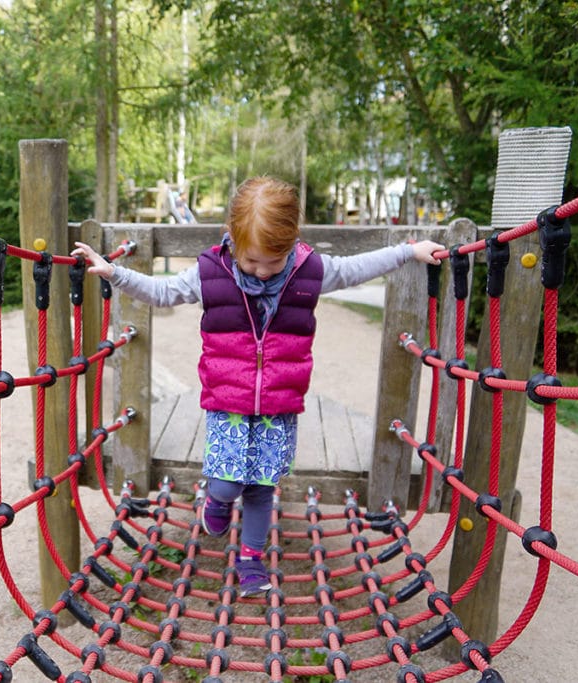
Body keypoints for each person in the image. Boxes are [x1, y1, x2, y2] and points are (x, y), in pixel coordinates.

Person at [71, 176, 443, 598]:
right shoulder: (210, 272)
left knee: (262, 488)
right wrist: (115, 273)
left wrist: (408, 252)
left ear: (292, 243)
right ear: (231, 239)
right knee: (229, 484)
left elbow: (358, 267)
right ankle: (215, 499)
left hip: (279, 405)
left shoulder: (309, 271)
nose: (264, 270)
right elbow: (163, 291)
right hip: (227, 402)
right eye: (252, 262)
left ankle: (251, 559)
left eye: (275, 260)